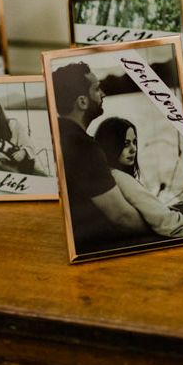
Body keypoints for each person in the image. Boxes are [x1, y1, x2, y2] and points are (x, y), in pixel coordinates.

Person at [52, 61, 161, 255]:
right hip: (96, 247)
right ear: (82, 101)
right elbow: (121, 217)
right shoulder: (83, 147)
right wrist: (163, 232)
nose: (103, 94)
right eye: (97, 89)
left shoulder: (58, 134)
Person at [94, 116, 183, 238]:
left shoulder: (108, 175)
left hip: (164, 216)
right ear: (110, 145)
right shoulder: (119, 177)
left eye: (134, 142)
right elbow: (166, 222)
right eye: (125, 144)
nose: (133, 149)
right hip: (169, 225)